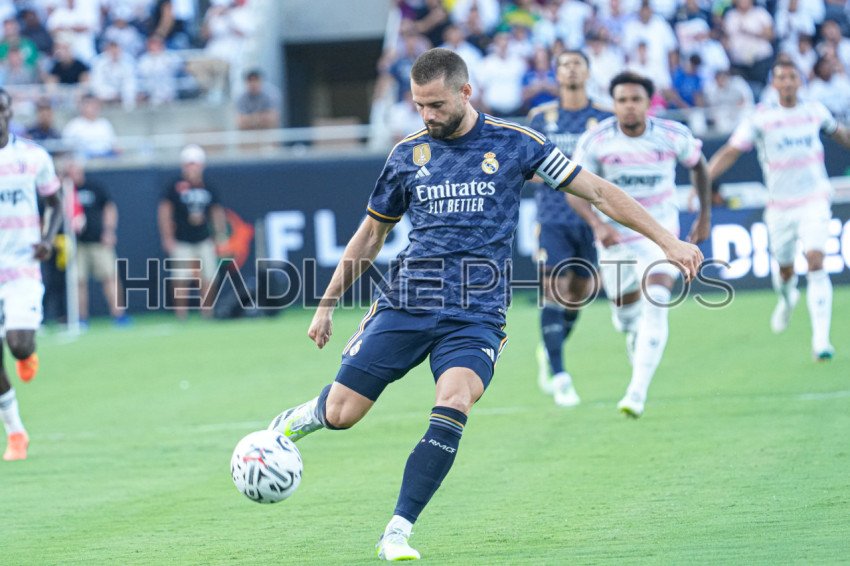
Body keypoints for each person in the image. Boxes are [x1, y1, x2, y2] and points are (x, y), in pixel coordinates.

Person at [266, 49, 703, 560]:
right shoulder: (407, 155)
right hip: (408, 302)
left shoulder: (517, 143)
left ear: (465, 92)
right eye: (418, 105)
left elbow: (601, 192)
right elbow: (370, 236)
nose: (426, 115)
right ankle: (298, 419)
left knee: (454, 401)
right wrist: (326, 304)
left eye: (435, 104)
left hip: (476, 314)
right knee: (343, 414)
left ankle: (397, 530)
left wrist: (667, 241)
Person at [571, 71, 712, 418]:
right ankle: (634, 334)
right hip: (617, 240)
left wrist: (704, 215)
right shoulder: (596, 140)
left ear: (649, 103)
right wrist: (598, 224)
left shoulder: (672, 135)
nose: (629, 106)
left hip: (661, 237)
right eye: (622, 100)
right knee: (625, 316)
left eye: (636, 99)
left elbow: (700, 166)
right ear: (614, 104)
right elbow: (572, 189)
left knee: (657, 298)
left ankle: (636, 392)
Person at [708, 61, 850, 361]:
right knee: (785, 270)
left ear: (800, 81)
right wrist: (704, 178)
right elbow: (732, 151)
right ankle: (786, 299)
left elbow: (840, 134)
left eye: (792, 77)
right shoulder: (760, 118)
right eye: (781, 78)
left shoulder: (815, 111)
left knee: (815, 260)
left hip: (814, 199)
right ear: (774, 84)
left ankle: (821, 341)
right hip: (780, 207)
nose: (787, 82)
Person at [526, 50, 613, 406]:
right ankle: (560, 376)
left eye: (577, 64)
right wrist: (560, 176)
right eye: (564, 65)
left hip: (591, 219)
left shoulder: (605, 117)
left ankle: (551, 347)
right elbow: (526, 166)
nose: (571, 70)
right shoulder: (540, 117)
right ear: (557, 74)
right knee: (555, 289)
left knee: (580, 293)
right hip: (552, 218)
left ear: (588, 72)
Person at [0, 88, 63, 460]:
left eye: (1, 108)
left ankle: (26, 353)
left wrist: (48, 239)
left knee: (19, 343)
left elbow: (54, 201)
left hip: (22, 267)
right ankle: (16, 432)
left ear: (10, 112)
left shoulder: (32, 156)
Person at [157, 144, 227, 320]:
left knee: (209, 275)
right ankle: (181, 314)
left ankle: (207, 311)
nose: (192, 168)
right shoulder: (175, 186)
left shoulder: (208, 187)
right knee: (180, 277)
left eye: (195, 164)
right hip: (182, 239)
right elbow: (165, 212)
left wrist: (220, 235)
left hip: (203, 238)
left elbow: (216, 212)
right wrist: (167, 237)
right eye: (189, 164)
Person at [65, 161, 130, 327]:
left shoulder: (94, 187)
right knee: (78, 281)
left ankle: (119, 315)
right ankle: (81, 318)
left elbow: (109, 208)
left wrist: (109, 231)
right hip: (76, 244)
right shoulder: (64, 190)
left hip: (98, 241)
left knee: (110, 277)